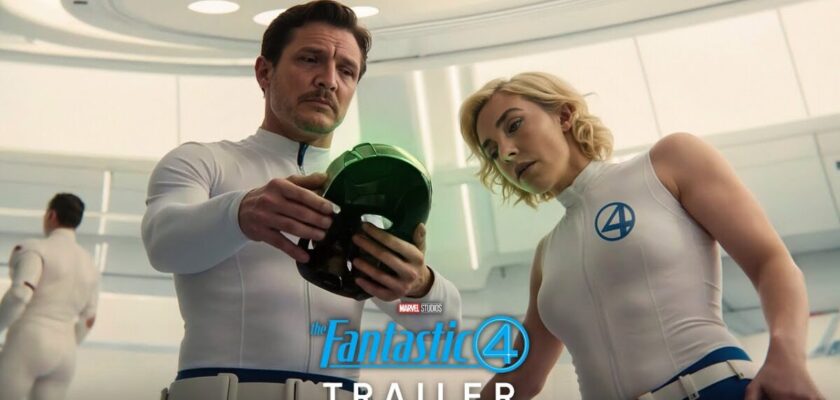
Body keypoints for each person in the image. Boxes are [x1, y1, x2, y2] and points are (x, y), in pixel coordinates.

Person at [141, 1, 461, 399]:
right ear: (264, 72)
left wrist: (419, 289)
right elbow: (163, 244)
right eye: (310, 59)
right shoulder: (203, 161)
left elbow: (441, 324)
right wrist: (241, 213)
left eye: (346, 70)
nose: (328, 80)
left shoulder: (372, 192)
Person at [458, 72, 823, 400]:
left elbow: (770, 262)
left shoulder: (667, 164)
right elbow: (520, 378)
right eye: (492, 152)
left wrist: (788, 357)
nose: (506, 152)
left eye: (514, 125)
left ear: (564, 115)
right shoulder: (546, 256)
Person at [0, 193, 100, 400]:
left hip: (29, 340)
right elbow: (88, 319)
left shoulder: (35, 249)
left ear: (51, 215)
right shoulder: (90, 263)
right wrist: (69, 342)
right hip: (65, 352)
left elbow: (20, 294)